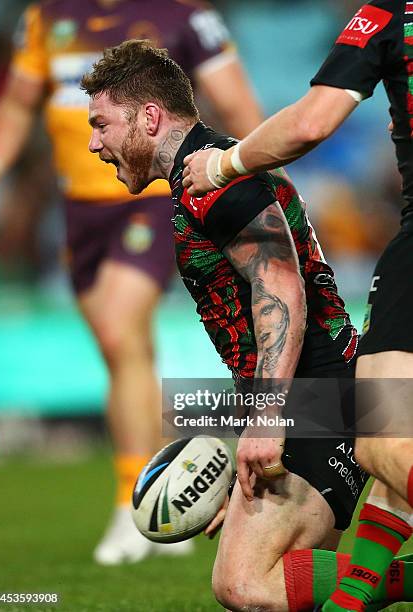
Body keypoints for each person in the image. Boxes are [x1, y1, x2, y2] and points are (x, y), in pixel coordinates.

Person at [80, 39, 413, 611]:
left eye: (102, 124)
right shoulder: (208, 174)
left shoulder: (216, 179)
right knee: (278, 582)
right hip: (309, 393)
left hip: (319, 394)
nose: (93, 143)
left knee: (246, 584)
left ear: (150, 117)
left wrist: (268, 417)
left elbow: (279, 287)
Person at [0, 0, 264, 565]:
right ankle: (172, 487)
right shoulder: (44, 16)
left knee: (120, 332)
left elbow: (237, 104)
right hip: (79, 211)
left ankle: (130, 504)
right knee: (124, 351)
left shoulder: (183, 15)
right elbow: (18, 107)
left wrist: (246, 177)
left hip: (155, 197)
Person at [183, 1, 413, 609]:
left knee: (384, 446)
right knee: (394, 454)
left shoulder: (388, 15)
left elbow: (311, 123)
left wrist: (225, 163)